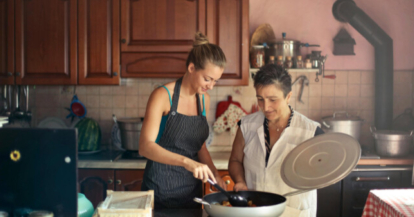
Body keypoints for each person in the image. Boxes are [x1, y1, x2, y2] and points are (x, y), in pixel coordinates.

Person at [139, 32, 227, 209]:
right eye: (207, 79)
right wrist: (187, 162)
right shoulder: (163, 96)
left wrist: (215, 174)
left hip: (192, 194)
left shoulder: (204, 100)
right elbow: (145, 147)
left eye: (215, 81)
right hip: (159, 191)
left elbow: (199, 146)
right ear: (192, 68)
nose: (210, 86)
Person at [228, 64, 324, 217]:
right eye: (260, 99)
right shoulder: (246, 126)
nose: (266, 107)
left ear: (288, 96)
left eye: (273, 100)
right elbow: (235, 160)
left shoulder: (311, 132)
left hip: (293, 212)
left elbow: (324, 171)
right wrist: (239, 181)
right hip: (255, 210)